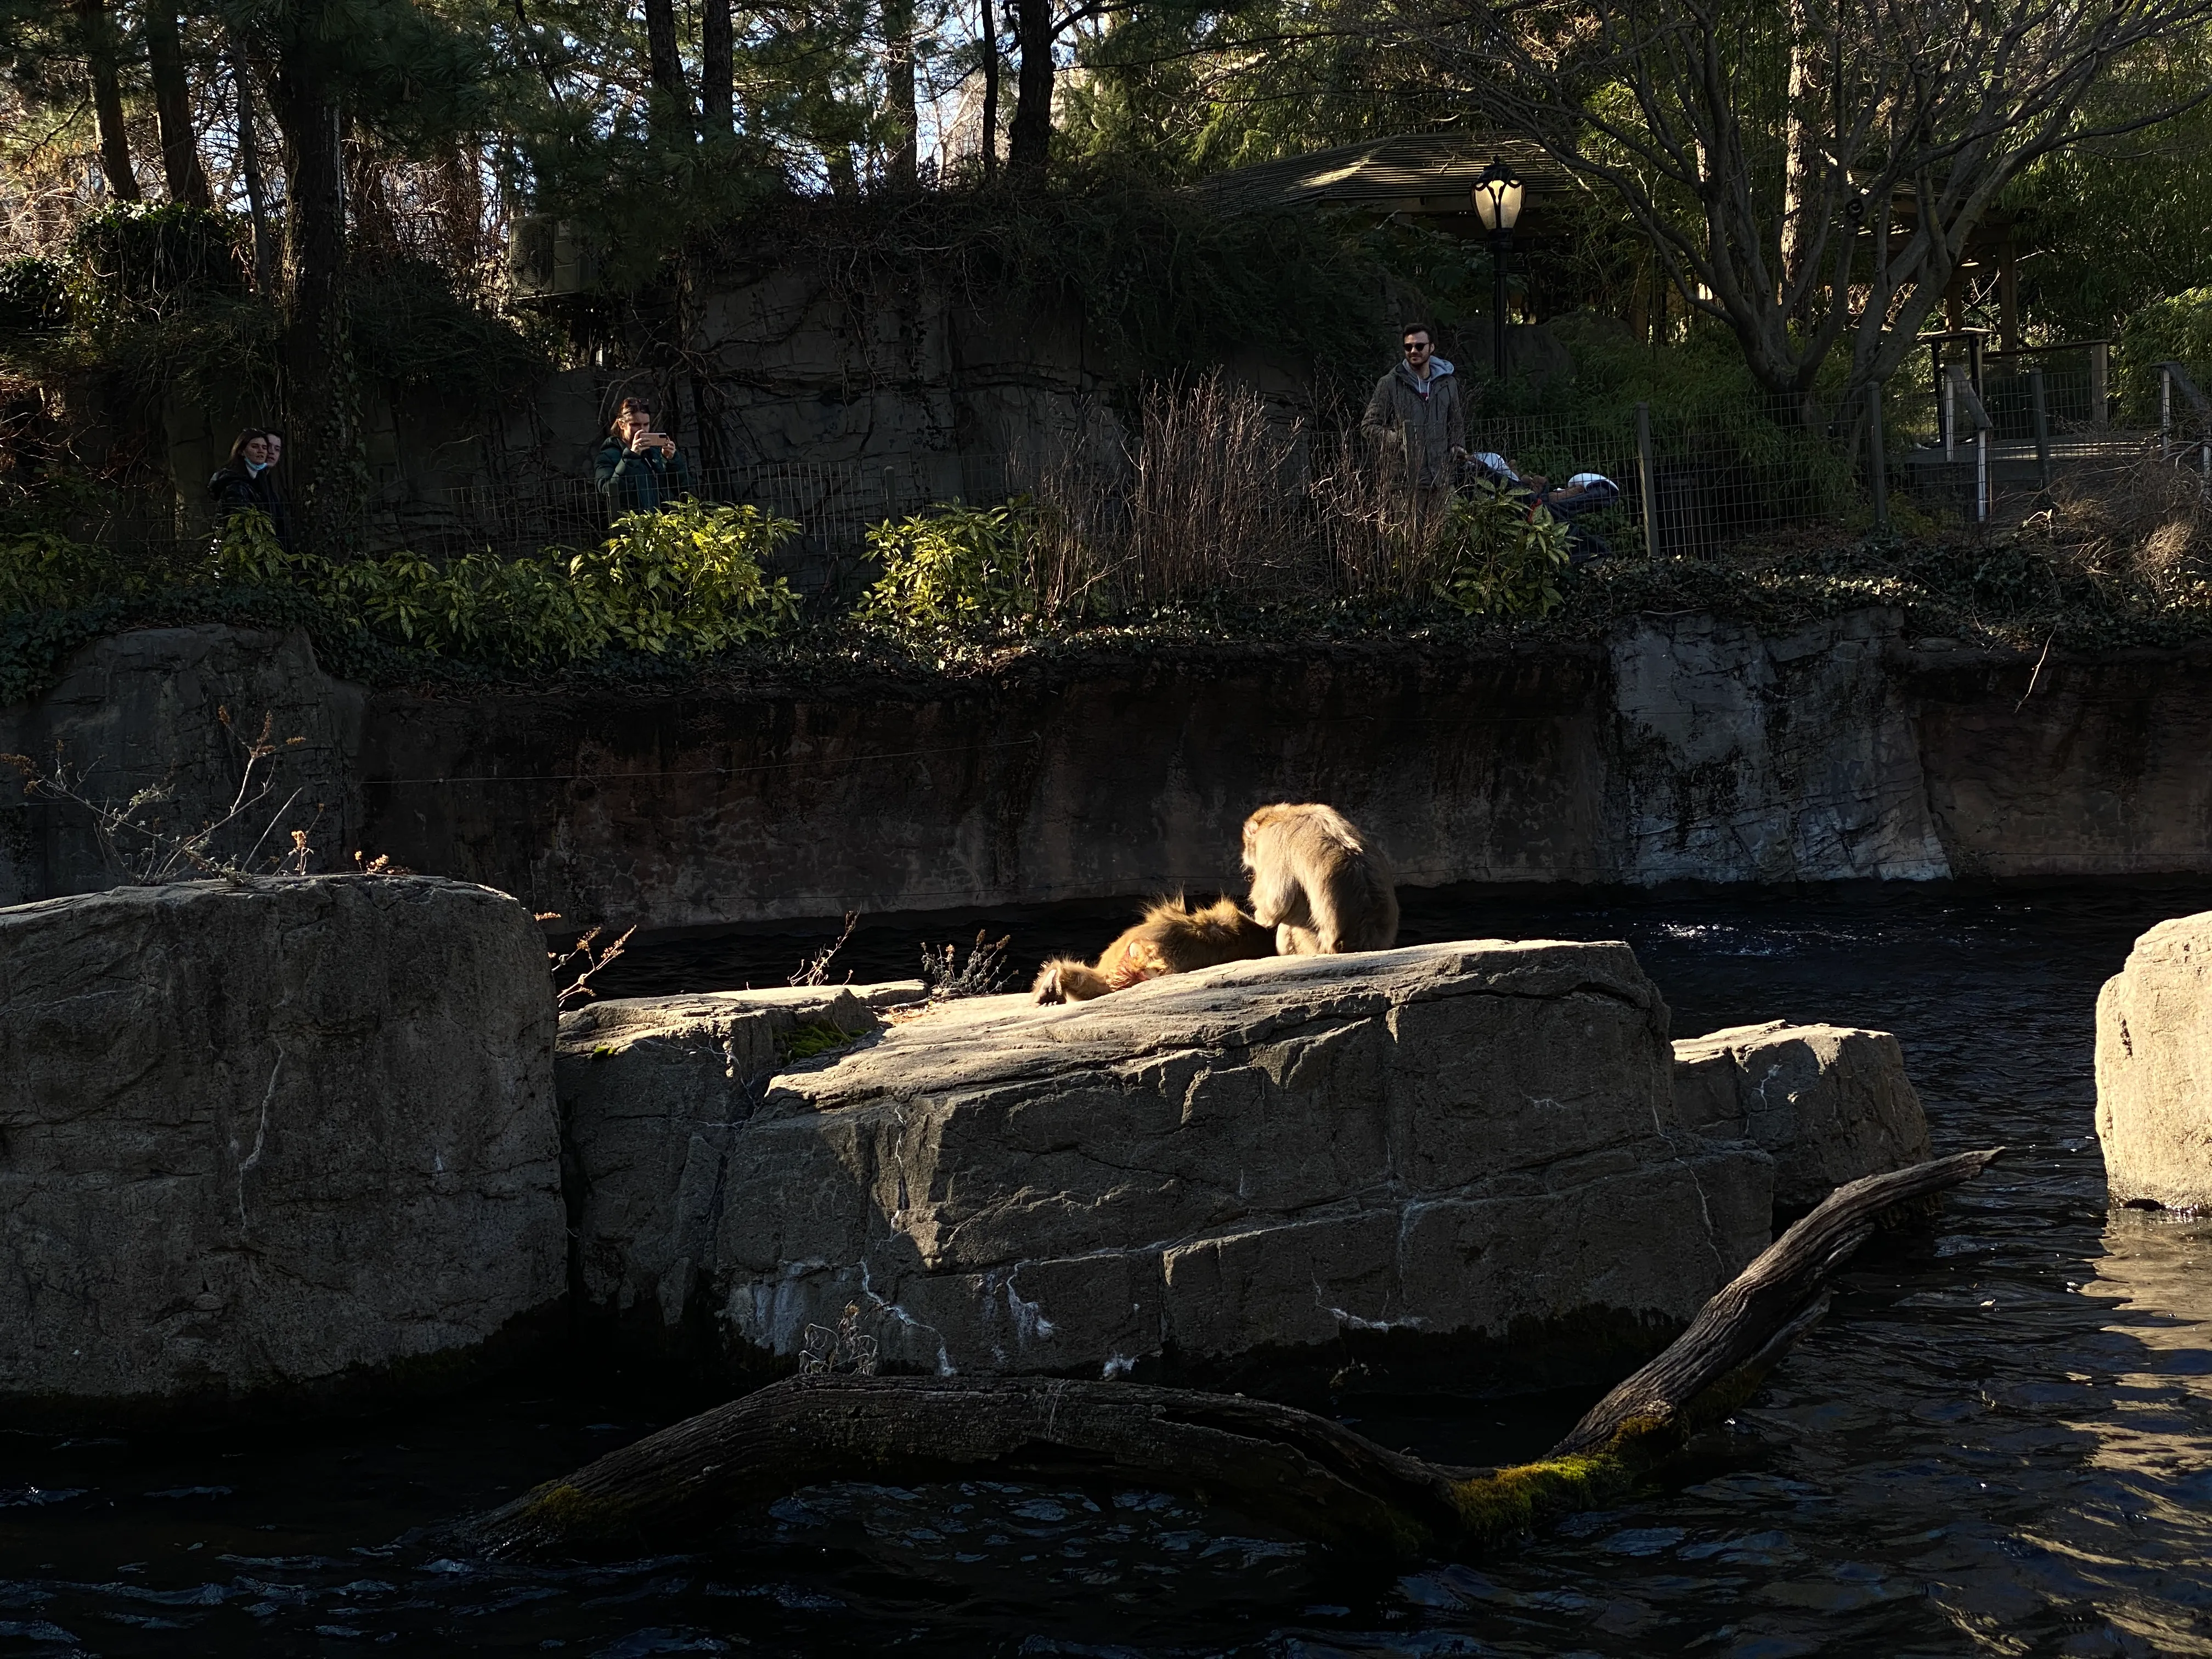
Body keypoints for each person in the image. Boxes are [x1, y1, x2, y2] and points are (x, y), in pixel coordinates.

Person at [1361, 324, 1466, 525]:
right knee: (1408, 545)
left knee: (1447, 542)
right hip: (1405, 481)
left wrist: (1457, 446)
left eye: (1419, 346)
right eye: (1408, 347)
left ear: (1432, 348)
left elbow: (1456, 422)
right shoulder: (1390, 383)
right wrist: (1397, 439)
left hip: (1442, 478)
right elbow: (1369, 426)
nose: (1413, 351)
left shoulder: (1447, 383)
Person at [1463, 450, 1621, 565]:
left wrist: (1473, 462)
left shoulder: (1543, 504)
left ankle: (1471, 461)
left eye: (1570, 491)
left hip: (1526, 509)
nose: (1562, 491)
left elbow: (1607, 492)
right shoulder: (1543, 501)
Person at [593, 394, 693, 514]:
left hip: (663, 525)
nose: (642, 430)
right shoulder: (608, 455)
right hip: (633, 527)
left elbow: (683, 489)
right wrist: (631, 456)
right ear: (621, 425)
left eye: (646, 424)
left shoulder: (654, 452)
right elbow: (610, 492)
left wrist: (672, 461)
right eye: (635, 425)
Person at [208, 428, 293, 551]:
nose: (263, 451)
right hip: (238, 553)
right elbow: (240, 526)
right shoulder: (237, 484)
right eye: (255, 447)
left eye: (264, 447)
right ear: (242, 451)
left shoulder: (262, 481)